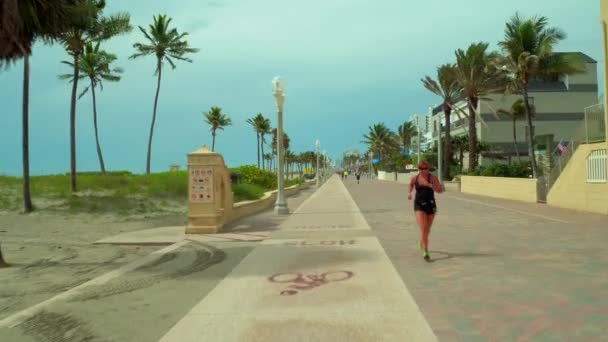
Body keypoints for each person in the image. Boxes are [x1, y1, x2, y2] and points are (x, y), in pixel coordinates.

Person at [408, 160, 442, 261]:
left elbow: (439, 190)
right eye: (421, 169)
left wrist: (431, 185)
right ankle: (425, 251)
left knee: (427, 230)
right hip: (419, 205)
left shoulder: (432, 178)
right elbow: (410, 185)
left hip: (431, 204)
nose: (423, 171)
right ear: (418, 169)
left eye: (425, 168)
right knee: (423, 228)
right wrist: (409, 193)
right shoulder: (415, 178)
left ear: (428, 168)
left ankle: (422, 241)